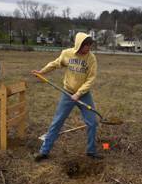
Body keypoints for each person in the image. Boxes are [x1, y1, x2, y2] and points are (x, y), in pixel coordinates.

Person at [32, 32, 99, 161]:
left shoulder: (91, 58)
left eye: (90, 46)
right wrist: (42, 71)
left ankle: (91, 151)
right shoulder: (67, 53)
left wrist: (79, 94)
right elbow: (55, 63)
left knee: (92, 122)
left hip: (83, 94)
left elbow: (91, 79)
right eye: (86, 46)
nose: (88, 49)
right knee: (57, 122)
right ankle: (44, 152)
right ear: (80, 45)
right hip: (67, 93)